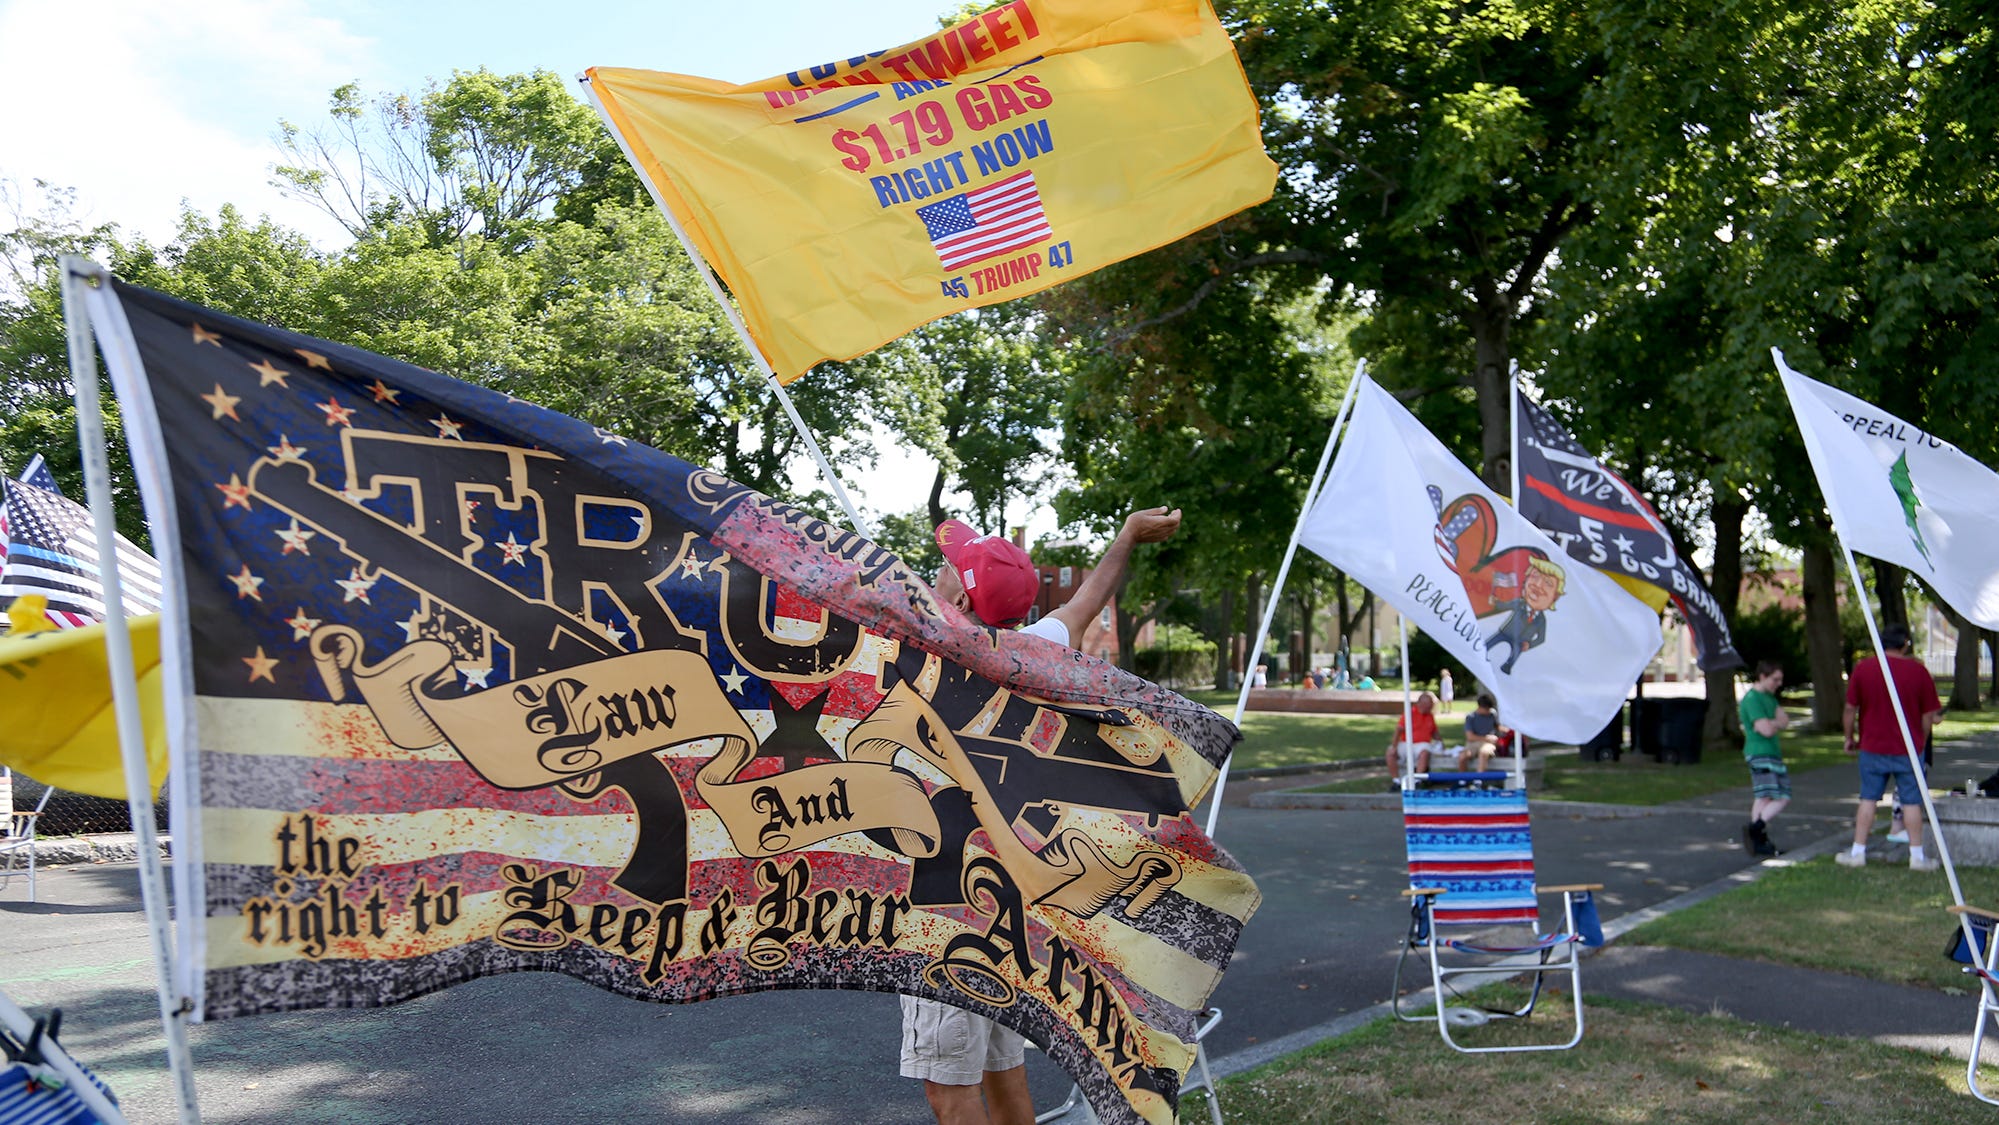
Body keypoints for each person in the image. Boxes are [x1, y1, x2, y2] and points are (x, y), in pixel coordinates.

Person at [904, 505, 1181, 1125]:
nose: (941, 570)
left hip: (948, 898)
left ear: (966, 600)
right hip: (1011, 894)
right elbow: (1087, 601)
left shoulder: (930, 652)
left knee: (948, 1085)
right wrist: (1127, 536)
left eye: (952, 568)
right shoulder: (1034, 651)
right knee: (1002, 1068)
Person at [1836, 624, 1944, 872]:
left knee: (1868, 798)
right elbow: (1929, 714)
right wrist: (1922, 739)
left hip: (1872, 745)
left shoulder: (1864, 669)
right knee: (1911, 802)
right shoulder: (1918, 672)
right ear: (1905, 644)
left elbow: (1850, 708)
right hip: (1908, 747)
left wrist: (1849, 737)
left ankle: (1858, 851)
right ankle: (1916, 857)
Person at [1737, 660, 1792, 857]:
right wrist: (1774, 723)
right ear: (1762, 676)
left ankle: (1757, 836)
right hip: (1759, 752)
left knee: (1768, 796)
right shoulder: (1752, 699)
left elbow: (1785, 721)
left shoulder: (1769, 698)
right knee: (1776, 796)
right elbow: (1765, 729)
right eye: (1774, 679)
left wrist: (1773, 722)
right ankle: (1755, 829)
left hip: (1771, 752)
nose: (1778, 683)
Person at [1385, 691, 1442, 785]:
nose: (1430, 708)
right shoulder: (1409, 713)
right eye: (1428, 705)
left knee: (1425, 752)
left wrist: (1440, 742)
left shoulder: (1430, 716)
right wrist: (1394, 747)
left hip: (1422, 745)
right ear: (1421, 704)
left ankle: (1417, 780)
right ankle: (1396, 781)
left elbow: (1434, 732)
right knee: (1390, 753)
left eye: (1431, 705)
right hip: (1406, 743)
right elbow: (1399, 730)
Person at [1456, 693, 1508, 772]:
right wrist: (1486, 738)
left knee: (1483, 753)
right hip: (1473, 743)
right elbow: (1470, 737)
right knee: (1462, 757)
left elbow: (1497, 726)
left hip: (1488, 744)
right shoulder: (1471, 717)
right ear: (1480, 707)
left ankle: (1478, 780)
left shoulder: (1492, 714)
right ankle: (1462, 780)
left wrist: (1506, 730)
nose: (1488, 711)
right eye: (1487, 709)